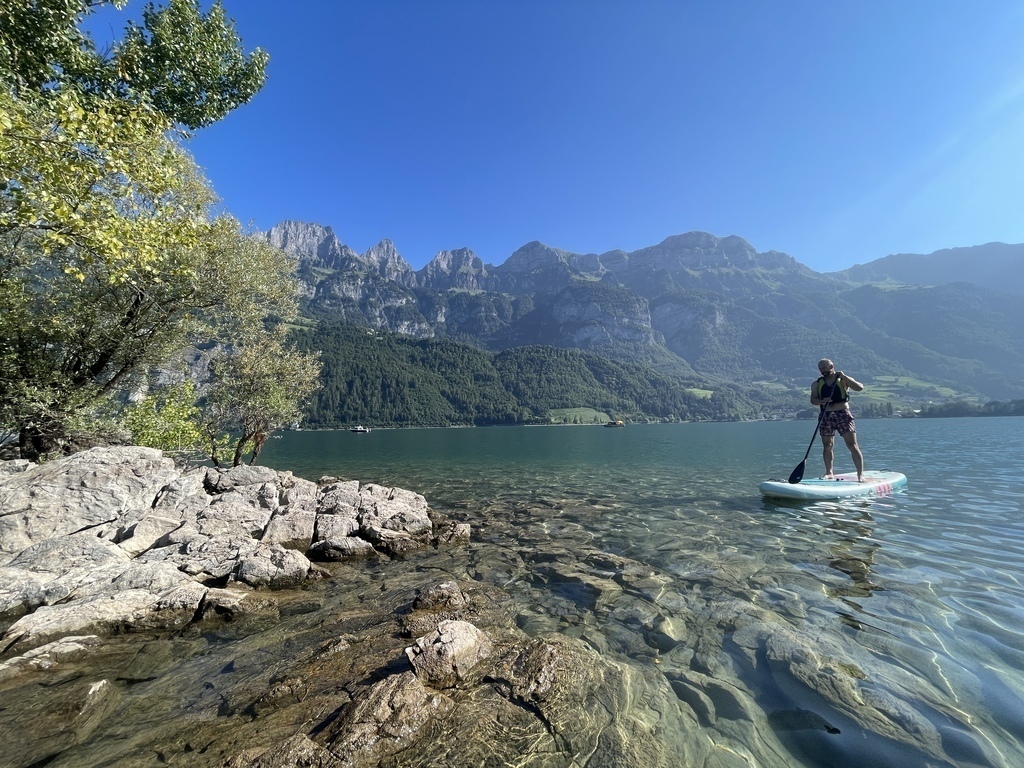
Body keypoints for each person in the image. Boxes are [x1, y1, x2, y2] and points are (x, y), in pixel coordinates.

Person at [811, 358, 865, 481]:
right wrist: (822, 401)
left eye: (824, 368)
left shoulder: (843, 380)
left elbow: (859, 388)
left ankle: (860, 474)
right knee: (827, 445)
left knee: (852, 445)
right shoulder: (816, 384)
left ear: (831, 366)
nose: (822, 371)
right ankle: (829, 472)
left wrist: (844, 376)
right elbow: (813, 400)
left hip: (843, 414)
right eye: (820, 369)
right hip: (826, 415)